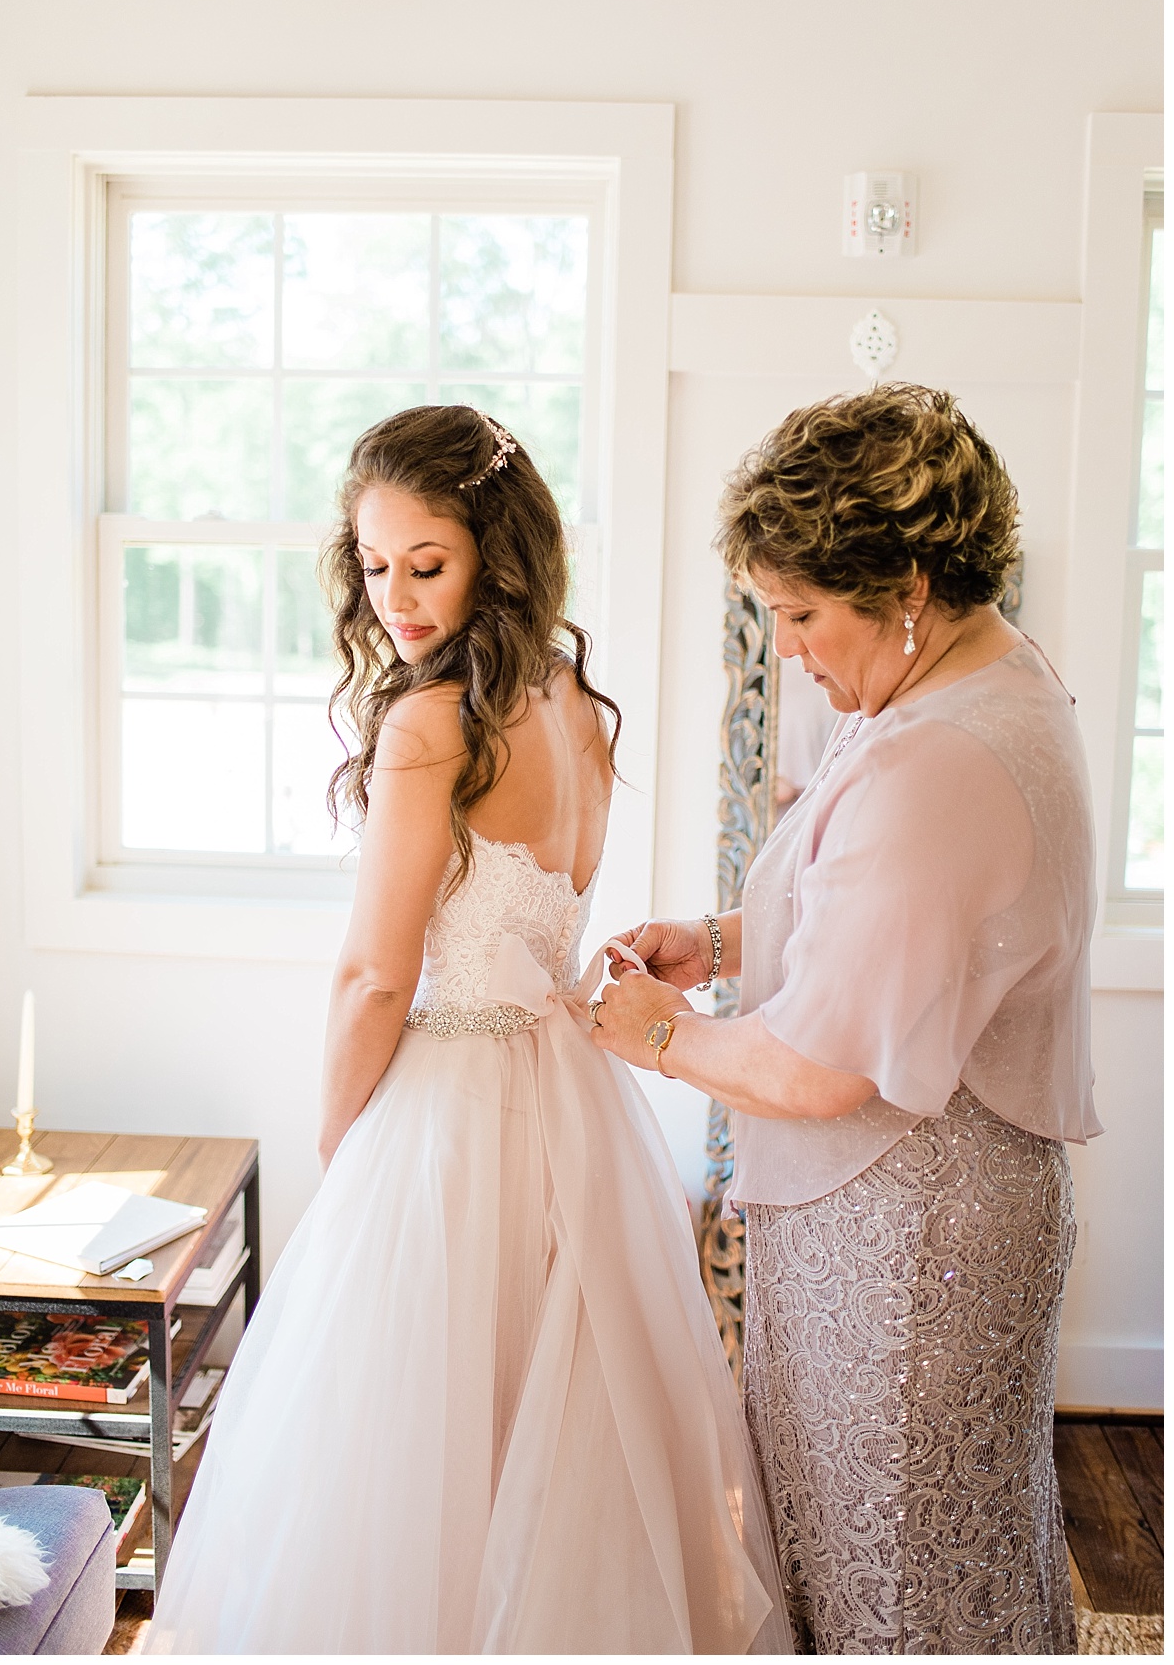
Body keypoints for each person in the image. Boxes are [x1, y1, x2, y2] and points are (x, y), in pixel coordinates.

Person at [144, 405, 791, 1655]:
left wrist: (342, 1141)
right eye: (374, 565)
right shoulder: (579, 707)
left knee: (412, 1442)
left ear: (498, 550)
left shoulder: (432, 724)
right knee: (553, 1430)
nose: (394, 599)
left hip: (448, 1108)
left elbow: (373, 978)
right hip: (571, 1103)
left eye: (426, 564)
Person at [594, 385, 1099, 1655]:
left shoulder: (939, 759)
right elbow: (909, 934)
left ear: (905, 584)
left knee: (899, 1585)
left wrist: (651, 1031)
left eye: (804, 613)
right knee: (892, 1558)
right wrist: (718, 944)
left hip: (904, 1248)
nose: (792, 652)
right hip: (908, 1215)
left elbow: (820, 1068)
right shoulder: (985, 687)